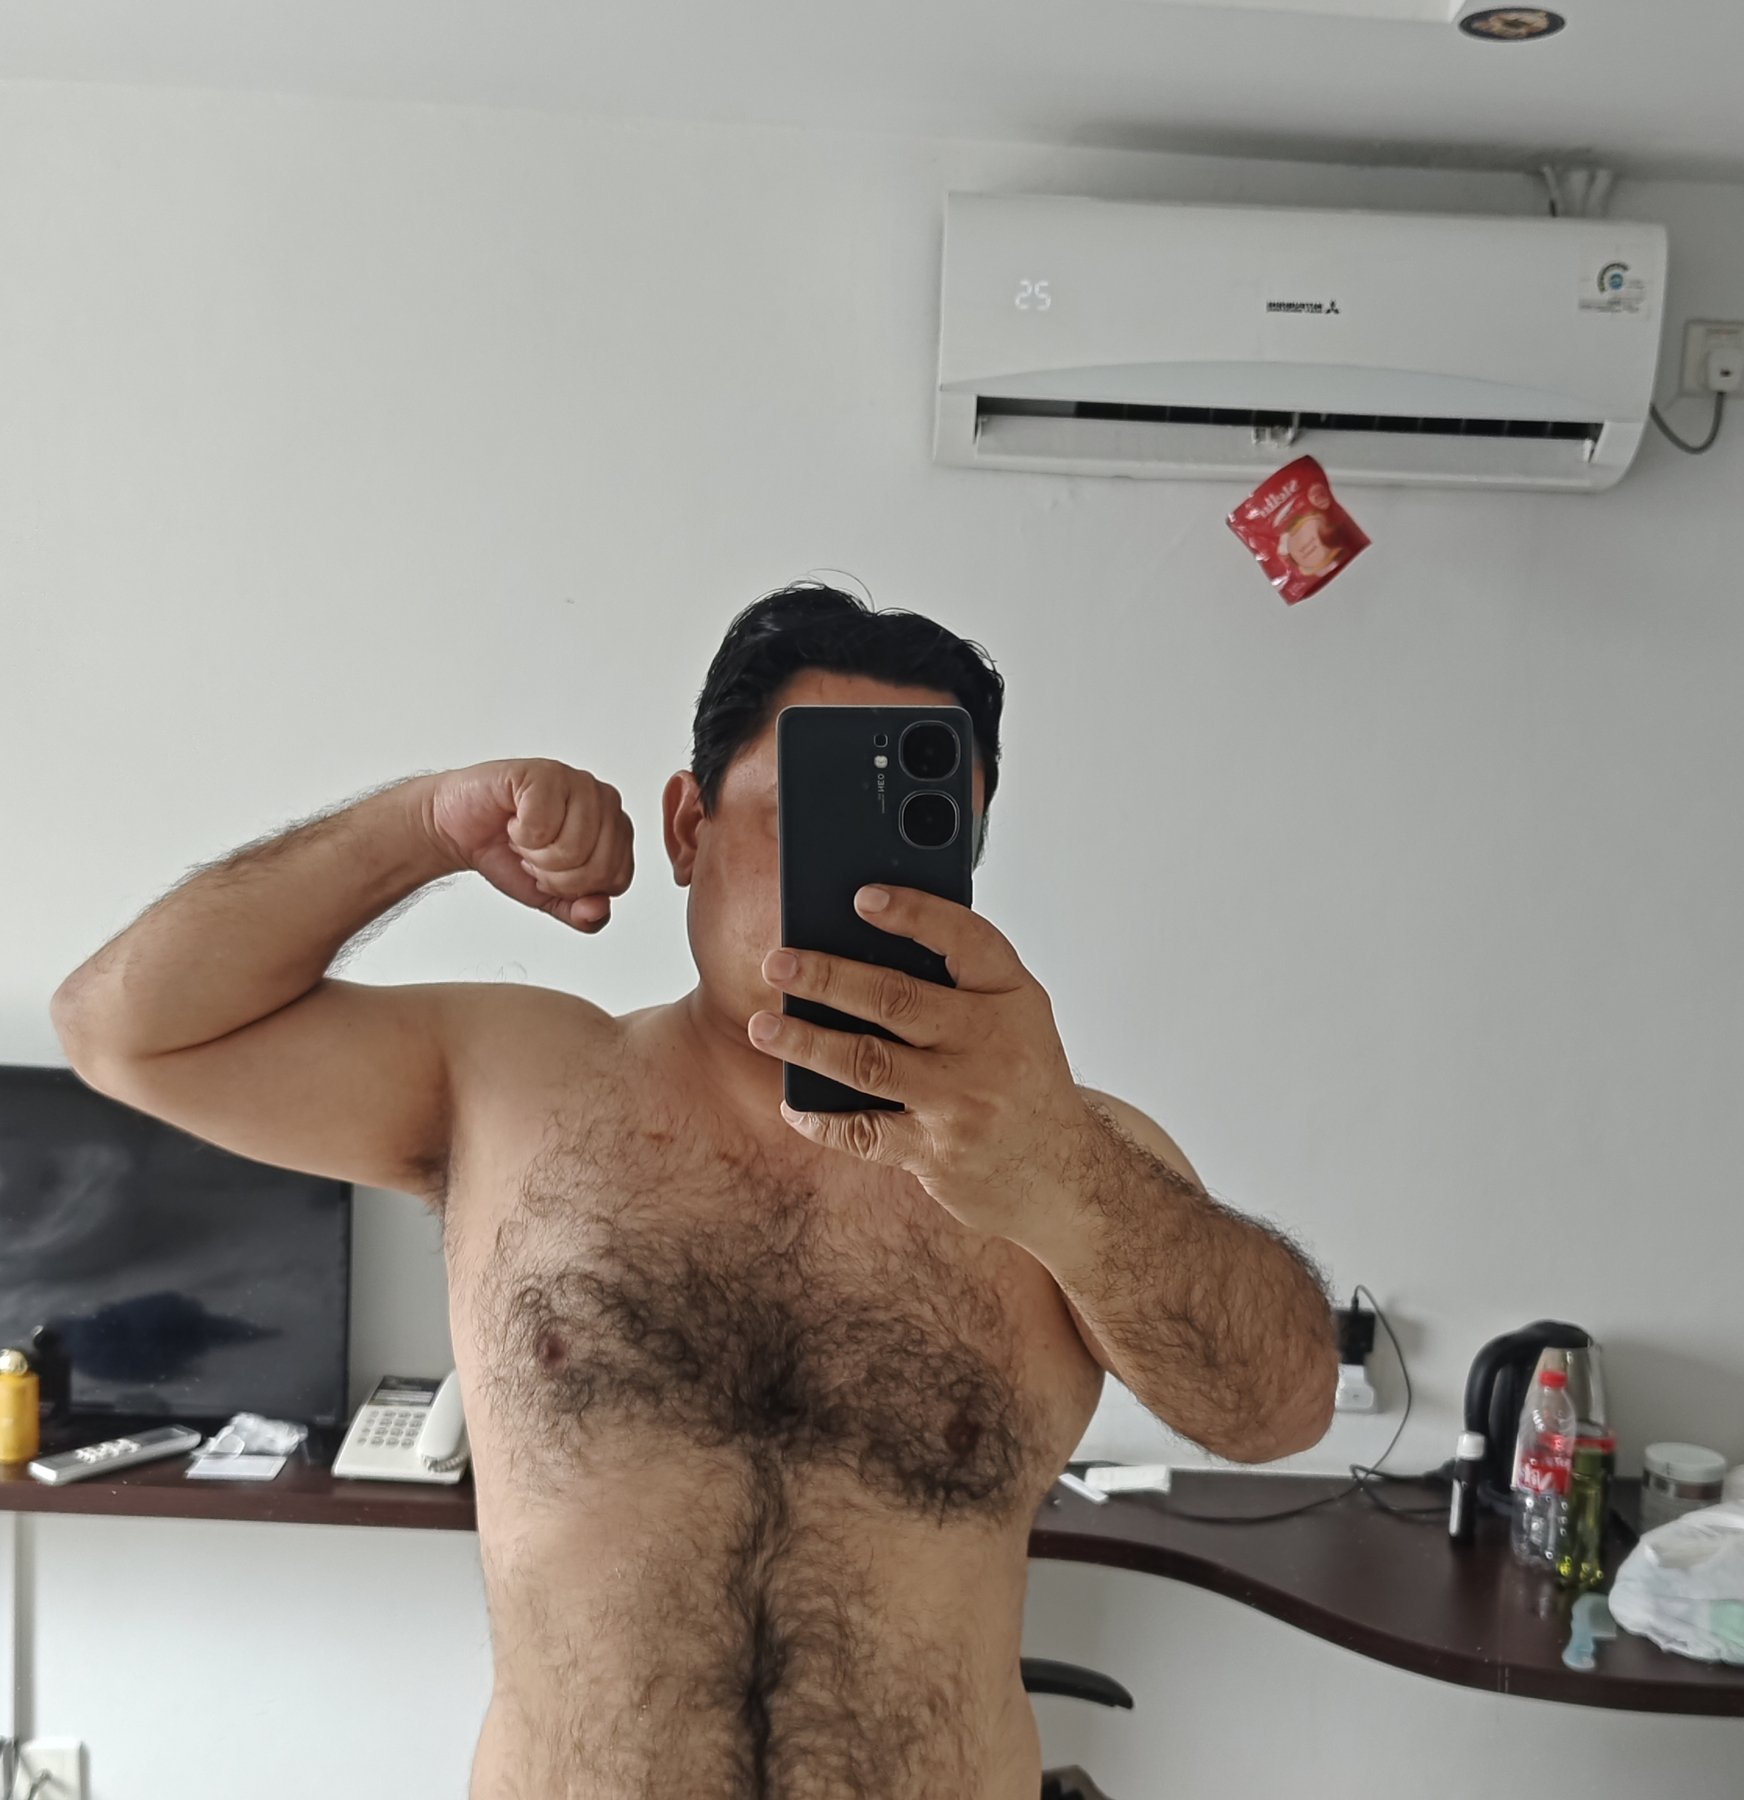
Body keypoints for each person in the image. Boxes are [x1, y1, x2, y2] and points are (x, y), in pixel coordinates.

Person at [51, 583, 1336, 1800]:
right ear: (686, 828)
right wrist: (428, 826)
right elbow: (126, 1030)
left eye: (918, 831)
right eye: (802, 817)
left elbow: (1282, 1409)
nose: (863, 886)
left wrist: (1060, 1173)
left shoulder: (1065, 1156)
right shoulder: (512, 1084)